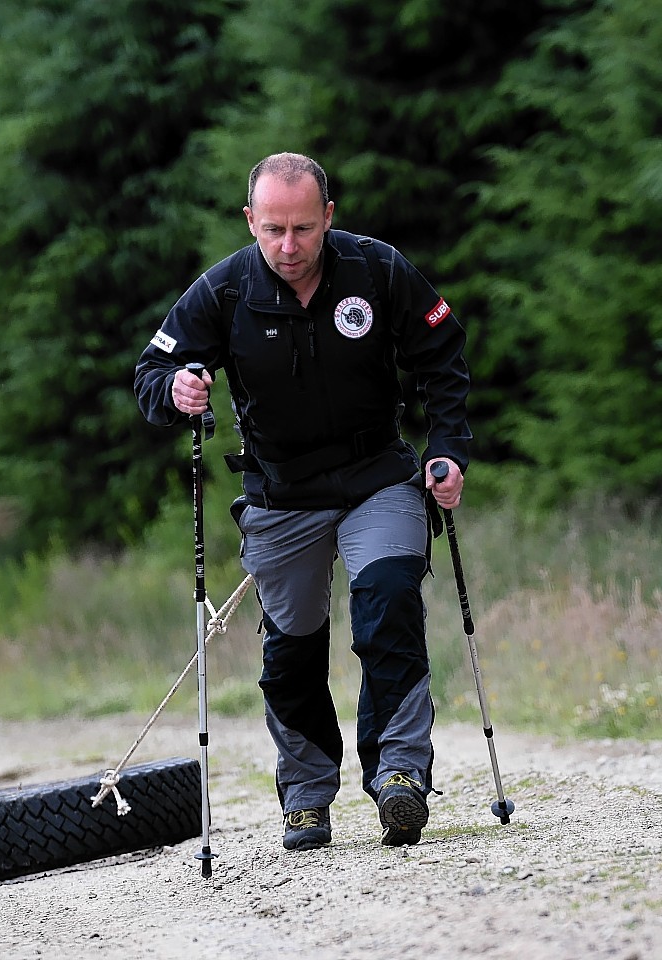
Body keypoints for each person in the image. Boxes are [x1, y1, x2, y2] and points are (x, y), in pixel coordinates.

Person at [133, 153, 471, 850]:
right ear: (250, 220)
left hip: (376, 477)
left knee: (387, 609)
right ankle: (306, 794)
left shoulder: (376, 271)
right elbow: (151, 370)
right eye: (274, 230)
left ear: (329, 219)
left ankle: (400, 774)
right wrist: (175, 391)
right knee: (291, 653)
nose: (289, 247)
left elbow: (440, 351)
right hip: (280, 496)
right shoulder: (224, 292)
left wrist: (447, 448)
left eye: (304, 229)